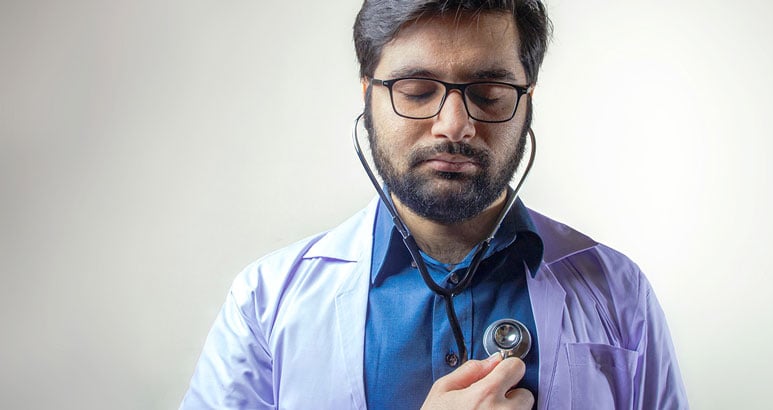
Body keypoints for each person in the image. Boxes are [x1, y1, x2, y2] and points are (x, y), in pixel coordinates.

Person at [181, 1, 688, 408]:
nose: (453, 125)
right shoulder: (265, 303)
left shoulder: (619, 295)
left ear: (527, 101)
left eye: (489, 93)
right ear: (368, 96)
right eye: (418, 91)